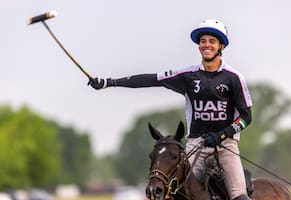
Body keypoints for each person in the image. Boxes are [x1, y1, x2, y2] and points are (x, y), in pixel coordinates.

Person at [88, 19, 252, 200]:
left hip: (225, 146)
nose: (206, 45)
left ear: (221, 46)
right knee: (173, 193)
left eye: (212, 41)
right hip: (195, 146)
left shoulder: (234, 78)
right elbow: (152, 79)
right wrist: (109, 82)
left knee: (239, 196)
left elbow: (245, 117)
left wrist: (221, 135)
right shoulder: (189, 76)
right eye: (203, 41)